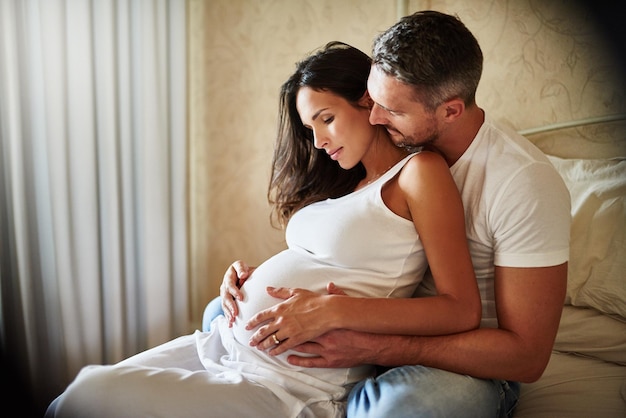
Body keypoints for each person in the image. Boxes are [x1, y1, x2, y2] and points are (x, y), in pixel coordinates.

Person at [45, 41, 480, 418]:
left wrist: (334, 311)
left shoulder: (418, 173)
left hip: (287, 386)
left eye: (326, 119)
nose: (318, 141)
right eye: (310, 128)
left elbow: (460, 309)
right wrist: (245, 278)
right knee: (68, 401)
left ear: (367, 102)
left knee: (89, 397)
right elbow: (318, 263)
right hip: (221, 345)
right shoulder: (347, 185)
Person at [216, 11, 571, 418]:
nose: (374, 117)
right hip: (371, 333)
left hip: (462, 361)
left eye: (392, 110)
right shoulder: (387, 165)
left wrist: (373, 346)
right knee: (218, 313)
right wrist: (260, 279)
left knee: (405, 406)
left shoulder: (522, 183)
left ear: (450, 111)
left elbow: (526, 358)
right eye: (373, 99)